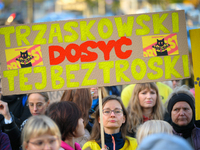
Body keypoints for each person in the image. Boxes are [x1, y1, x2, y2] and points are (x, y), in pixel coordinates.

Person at [167, 85, 200, 149]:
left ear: (192, 112)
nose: (181, 113)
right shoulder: (164, 138)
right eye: (176, 109)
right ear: (170, 113)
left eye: (185, 109)